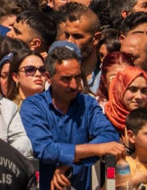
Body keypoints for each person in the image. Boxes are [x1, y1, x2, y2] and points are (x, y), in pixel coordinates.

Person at [20, 45, 122, 190]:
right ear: (49, 78)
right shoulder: (33, 106)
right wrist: (97, 149)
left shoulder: (87, 103)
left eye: (77, 77)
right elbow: (44, 149)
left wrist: (68, 163)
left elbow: (110, 135)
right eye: (66, 79)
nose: (74, 85)